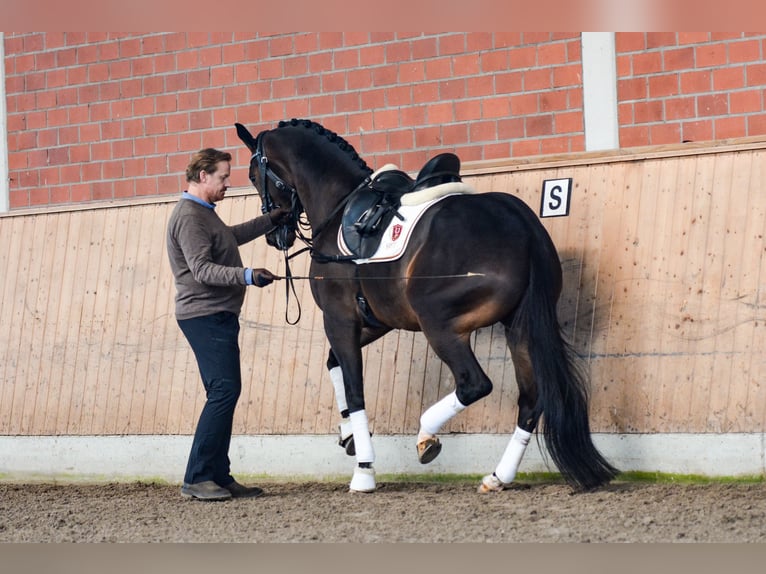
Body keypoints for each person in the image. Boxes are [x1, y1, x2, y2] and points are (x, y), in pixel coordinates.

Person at [166, 148, 290, 501]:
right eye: (222, 177)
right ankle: (198, 477)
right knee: (222, 393)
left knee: (225, 393)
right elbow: (202, 270)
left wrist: (272, 219)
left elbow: (228, 239)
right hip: (204, 315)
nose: (227, 184)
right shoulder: (189, 217)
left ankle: (217, 475)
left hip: (216, 314)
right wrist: (248, 275)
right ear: (202, 176)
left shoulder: (204, 214)